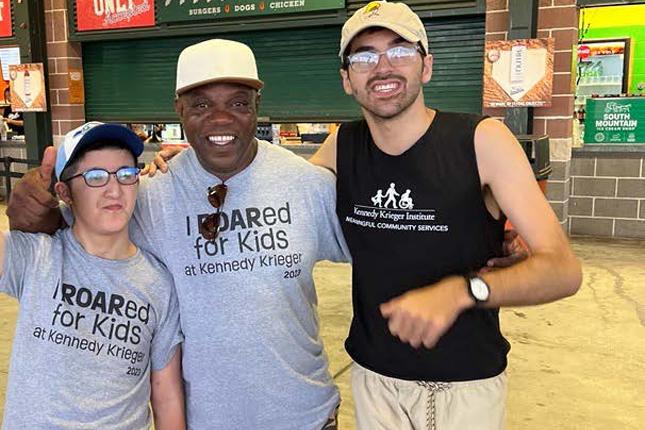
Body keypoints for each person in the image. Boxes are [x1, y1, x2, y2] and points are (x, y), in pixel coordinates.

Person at [7, 39, 348, 429]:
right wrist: (30, 211)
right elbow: (73, 230)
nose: (221, 119)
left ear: (257, 104)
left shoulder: (306, 185)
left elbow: (384, 246)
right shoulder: (150, 195)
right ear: (179, 109)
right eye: (201, 105)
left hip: (304, 417)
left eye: (238, 103)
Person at [307, 1, 582, 429]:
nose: (382, 67)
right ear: (347, 79)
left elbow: (563, 269)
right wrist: (184, 166)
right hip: (373, 379)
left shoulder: (482, 140)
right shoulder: (342, 146)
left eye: (399, 51)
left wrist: (463, 291)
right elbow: (275, 194)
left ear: (427, 66)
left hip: (462, 387)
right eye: (363, 56)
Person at [0, 122, 184, 429]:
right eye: (95, 177)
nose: (114, 190)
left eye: (126, 174)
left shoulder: (159, 284)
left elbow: (166, 395)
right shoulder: (36, 257)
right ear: (64, 192)